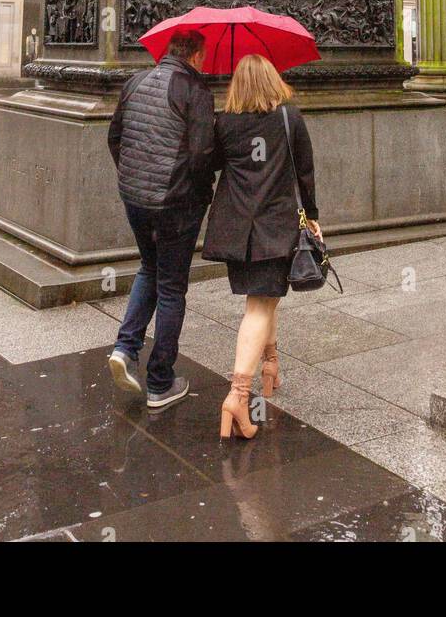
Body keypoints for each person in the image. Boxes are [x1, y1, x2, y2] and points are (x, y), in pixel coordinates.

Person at [202, 54, 320, 440]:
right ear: (272, 80)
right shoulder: (289, 117)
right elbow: (305, 173)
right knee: (259, 305)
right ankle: (238, 396)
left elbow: (211, 165)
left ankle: (271, 364)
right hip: (275, 226)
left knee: (264, 297)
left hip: (237, 230)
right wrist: (313, 216)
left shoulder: (225, 123)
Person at [107, 29, 215, 410]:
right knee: (171, 286)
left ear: (169, 50)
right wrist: (204, 193)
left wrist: (132, 176)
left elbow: (115, 137)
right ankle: (160, 381)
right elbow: (202, 155)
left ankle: (125, 347)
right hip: (175, 203)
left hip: (135, 198)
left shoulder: (135, 82)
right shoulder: (195, 90)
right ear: (197, 55)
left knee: (148, 268)